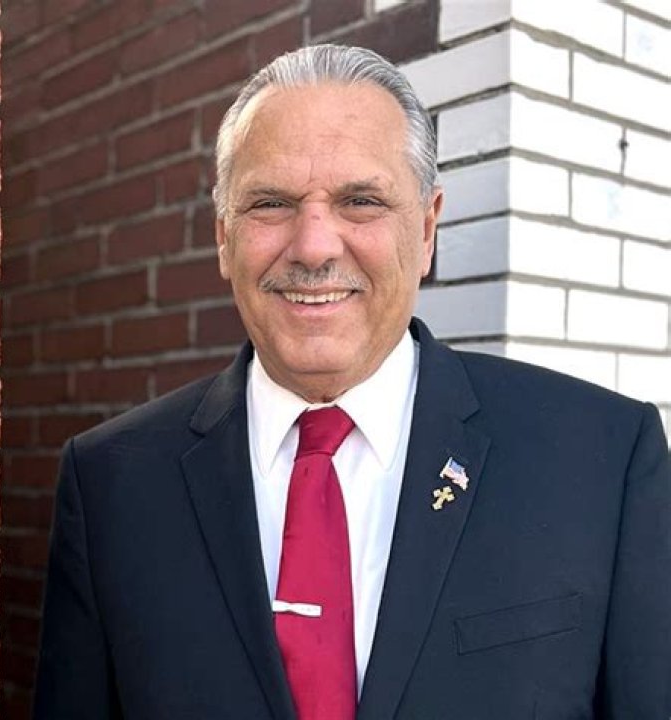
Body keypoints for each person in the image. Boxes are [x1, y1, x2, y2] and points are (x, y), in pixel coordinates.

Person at [33, 44, 671, 719]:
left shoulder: (601, 459)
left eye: (361, 201)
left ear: (426, 230)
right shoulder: (111, 483)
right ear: (223, 238)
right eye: (271, 203)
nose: (314, 247)